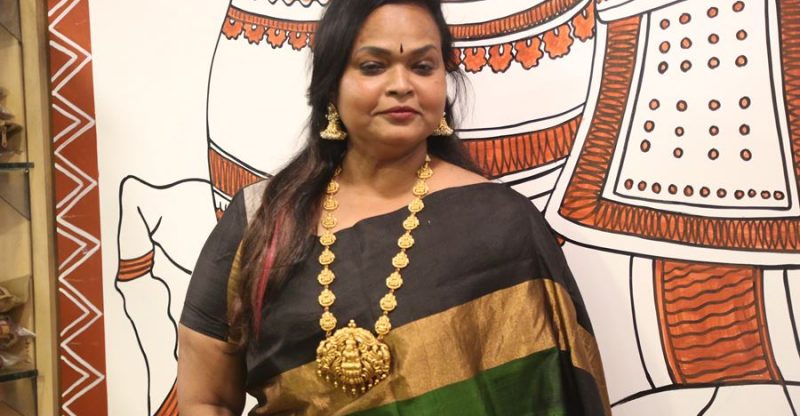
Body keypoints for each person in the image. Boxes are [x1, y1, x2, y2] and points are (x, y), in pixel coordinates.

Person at [177, 0, 610, 414]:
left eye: (423, 66)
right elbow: (207, 399)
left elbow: (560, 395)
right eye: (373, 66)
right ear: (331, 85)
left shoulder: (504, 225)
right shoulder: (261, 220)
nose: (402, 85)